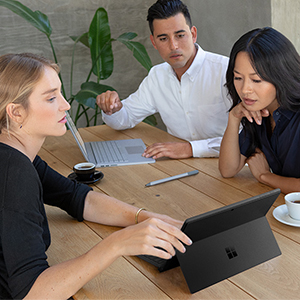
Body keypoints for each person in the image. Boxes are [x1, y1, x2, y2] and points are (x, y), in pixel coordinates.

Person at [0, 53, 193, 300]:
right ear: (16, 113)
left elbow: (76, 197)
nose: (65, 105)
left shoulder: (18, 156)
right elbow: (33, 293)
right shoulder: (13, 173)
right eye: (51, 98)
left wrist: (145, 217)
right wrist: (116, 245)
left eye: (60, 93)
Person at [96, 0, 231, 159]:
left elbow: (247, 138)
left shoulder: (226, 71)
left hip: (228, 167)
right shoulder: (157, 76)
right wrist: (114, 108)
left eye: (180, 35)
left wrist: (189, 149)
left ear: (193, 34)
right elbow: (125, 118)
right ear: (154, 42)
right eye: (163, 39)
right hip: (180, 167)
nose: (173, 46)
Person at [219, 27, 300, 194]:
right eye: (238, 78)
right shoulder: (256, 112)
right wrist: (233, 119)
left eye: (256, 80)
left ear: (281, 76)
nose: (245, 89)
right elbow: (227, 170)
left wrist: (264, 176)